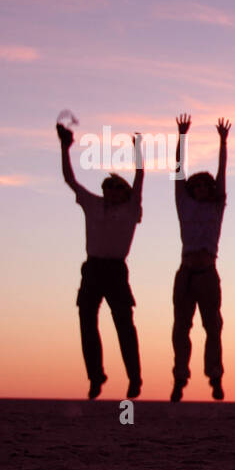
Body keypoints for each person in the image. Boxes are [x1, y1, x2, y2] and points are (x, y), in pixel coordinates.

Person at [59, 121, 144, 400]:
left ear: (125, 193)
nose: (111, 191)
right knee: (87, 321)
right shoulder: (92, 203)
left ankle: (134, 379)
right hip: (93, 269)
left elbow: (140, 177)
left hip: (116, 271)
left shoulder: (131, 209)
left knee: (124, 325)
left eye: (117, 188)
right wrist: (64, 147)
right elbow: (70, 180)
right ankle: (96, 377)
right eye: (108, 187)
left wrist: (138, 150)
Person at [170, 114, 229, 402]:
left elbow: (222, 173)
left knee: (213, 327)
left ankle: (215, 376)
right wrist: (182, 137)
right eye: (198, 187)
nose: (202, 190)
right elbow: (179, 173)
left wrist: (222, 141)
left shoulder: (216, 208)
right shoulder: (184, 203)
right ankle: (180, 378)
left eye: (206, 186)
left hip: (207, 273)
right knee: (181, 328)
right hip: (186, 273)